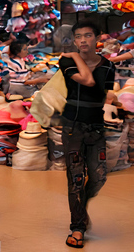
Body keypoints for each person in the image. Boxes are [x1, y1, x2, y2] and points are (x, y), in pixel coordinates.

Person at [58, 21, 116, 249]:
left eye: (88, 35)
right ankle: (78, 227)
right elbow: (87, 81)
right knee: (76, 180)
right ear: (74, 40)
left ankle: (80, 210)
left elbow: (105, 94)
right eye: (78, 36)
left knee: (99, 176)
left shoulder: (108, 66)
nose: (83, 40)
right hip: (72, 127)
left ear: (97, 38)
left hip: (96, 127)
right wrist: (74, 55)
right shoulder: (66, 61)